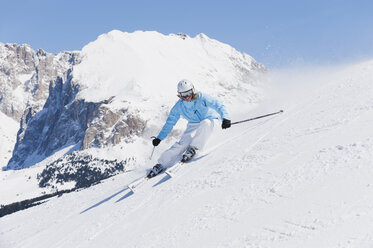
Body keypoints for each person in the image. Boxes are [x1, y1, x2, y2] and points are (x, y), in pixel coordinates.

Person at [147, 79, 231, 178]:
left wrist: (226, 118)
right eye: (183, 94)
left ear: (193, 90)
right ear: (180, 95)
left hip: (210, 119)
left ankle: (194, 148)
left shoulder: (202, 97)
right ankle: (161, 163)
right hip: (193, 124)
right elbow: (170, 122)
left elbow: (218, 105)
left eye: (188, 93)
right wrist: (159, 138)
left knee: (206, 123)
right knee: (183, 143)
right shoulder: (179, 106)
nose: (187, 97)